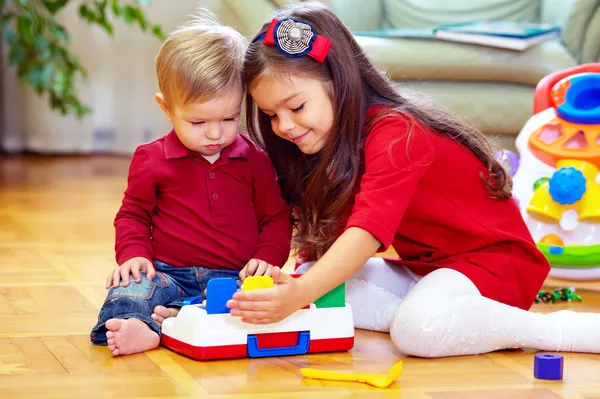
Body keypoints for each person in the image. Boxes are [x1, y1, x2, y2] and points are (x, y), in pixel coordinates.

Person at [226, 2, 600, 357]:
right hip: (430, 270)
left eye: (296, 107)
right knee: (314, 278)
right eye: (272, 115)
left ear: (340, 81)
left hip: (494, 266)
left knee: (409, 329)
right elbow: (329, 237)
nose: (285, 126)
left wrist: (302, 293)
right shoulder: (330, 141)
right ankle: (442, 317)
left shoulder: (398, 133)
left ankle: (552, 330)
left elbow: (366, 232)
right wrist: (295, 286)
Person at [90, 12, 292, 356]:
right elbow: (133, 216)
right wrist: (134, 255)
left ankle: (175, 321)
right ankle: (150, 324)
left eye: (228, 118)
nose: (215, 134)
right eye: (198, 121)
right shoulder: (150, 159)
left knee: (262, 298)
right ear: (167, 109)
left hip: (234, 279)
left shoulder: (255, 159)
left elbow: (276, 218)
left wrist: (267, 258)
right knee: (131, 287)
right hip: (168, 274)